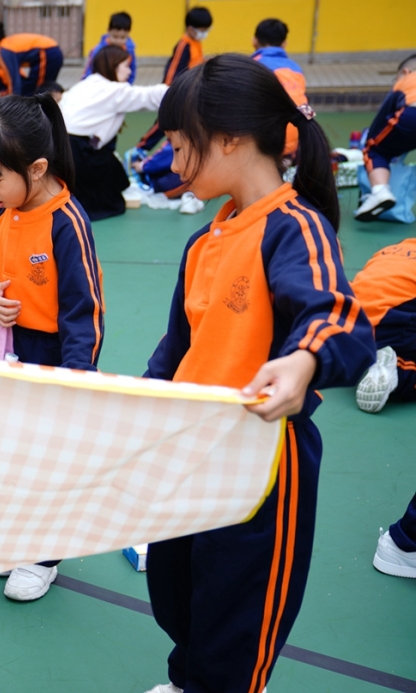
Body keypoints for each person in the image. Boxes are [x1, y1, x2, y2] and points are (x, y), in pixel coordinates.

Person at [141, 54, 375, 693]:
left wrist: (303, 360)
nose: (172, 165)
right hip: (192, 449)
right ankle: (189, 678)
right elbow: (177, 349)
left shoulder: (294, 227)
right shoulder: (204, 240)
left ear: (229, 139)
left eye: (180, 147)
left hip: (264, 463)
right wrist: (135, 408)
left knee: (238, 613)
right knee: (177, 588)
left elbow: (339, 319)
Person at [0, 94, 105, 602]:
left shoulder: (67, 223)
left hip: (54, 358)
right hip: (9, 353)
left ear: (37, 168)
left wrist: (75, 378)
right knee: (13, 455)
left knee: (51, 462)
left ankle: (44, 557)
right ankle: (16, 541)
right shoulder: (4, 211)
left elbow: (84, 311)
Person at [59, 45, 167, 220]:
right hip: (80, 156)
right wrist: (180, 89)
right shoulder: (113, 90)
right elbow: (149, 96)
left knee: (115, 169)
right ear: (112, 66)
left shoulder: (83, 85)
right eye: (125, 66)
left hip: (60, 153)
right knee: (112, 195)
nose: (129, 71)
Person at [351, 239, 416, 413]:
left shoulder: (393, 249)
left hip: (350, 321)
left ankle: (369, 353)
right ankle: (399, 372)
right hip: (393, 322)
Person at [137, 7, 211, 152]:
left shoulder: (196, 43)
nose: (204, 34)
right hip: (176, 92)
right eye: (201, 30)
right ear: (190, 29)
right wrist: (169, 91)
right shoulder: (183, 45)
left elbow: (196, 63)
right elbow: (173, 69)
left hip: (189, 93)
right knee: (162, 124)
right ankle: (140, 148)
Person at [357, 54, 416, 220]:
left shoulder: (405, 82)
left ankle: (380, 192)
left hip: (412, 115)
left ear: (405, 72)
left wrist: (372, 141)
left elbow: (380, 121)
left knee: (375, 150)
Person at [252, 18, 307, 158]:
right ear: (284, 44)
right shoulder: (296, 69)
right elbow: (304, 105)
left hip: (267, 144)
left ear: (254, 41)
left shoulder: (253, 66)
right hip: (296, 141)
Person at [0, 23, 63, 97]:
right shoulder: (6, 46)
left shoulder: (4, 50)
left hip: (47, 52)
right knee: (36, 89)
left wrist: (13, 102)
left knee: (39, 90)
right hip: (50, 52)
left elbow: (13, 80)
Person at [84, 12, 136, 84]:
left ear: (128, 33)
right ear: (108, 30)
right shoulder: (99, 50)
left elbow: (132, 70)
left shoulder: (129, 51)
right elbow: (89, 70)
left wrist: (128, 86)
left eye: (123, 37)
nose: (118, 41)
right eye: (115, 37)